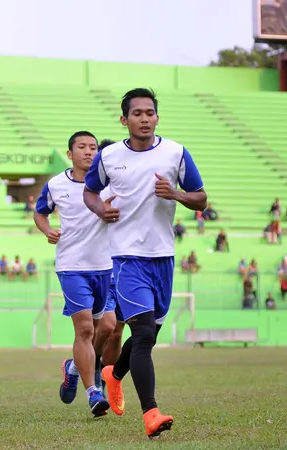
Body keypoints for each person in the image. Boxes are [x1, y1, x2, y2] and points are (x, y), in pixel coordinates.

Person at [84, 88, 207, 438]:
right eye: (136, 113)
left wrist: (177, 194)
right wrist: (99, 209)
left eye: (150, 112)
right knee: (140, 334)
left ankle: (113, 374)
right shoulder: (109, 156)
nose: (144, 118)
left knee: (149, 337)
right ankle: (151, 412)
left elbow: (201, 199)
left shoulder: (175, 153)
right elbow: (90, 191)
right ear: (124, 120)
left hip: (163, 259)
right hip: (126, 259)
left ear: (157, 117)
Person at [34, 131, 122, 417]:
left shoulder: (109, 184)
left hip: (104, 267)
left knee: (107, 327)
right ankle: (93, 392)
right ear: (70, 153)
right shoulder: (56, 184)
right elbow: (40, 212)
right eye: (81, 147)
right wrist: (48, 230)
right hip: (71, 267)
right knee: (85, 329)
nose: (88, 151)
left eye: (93, 147)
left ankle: (73, 367)